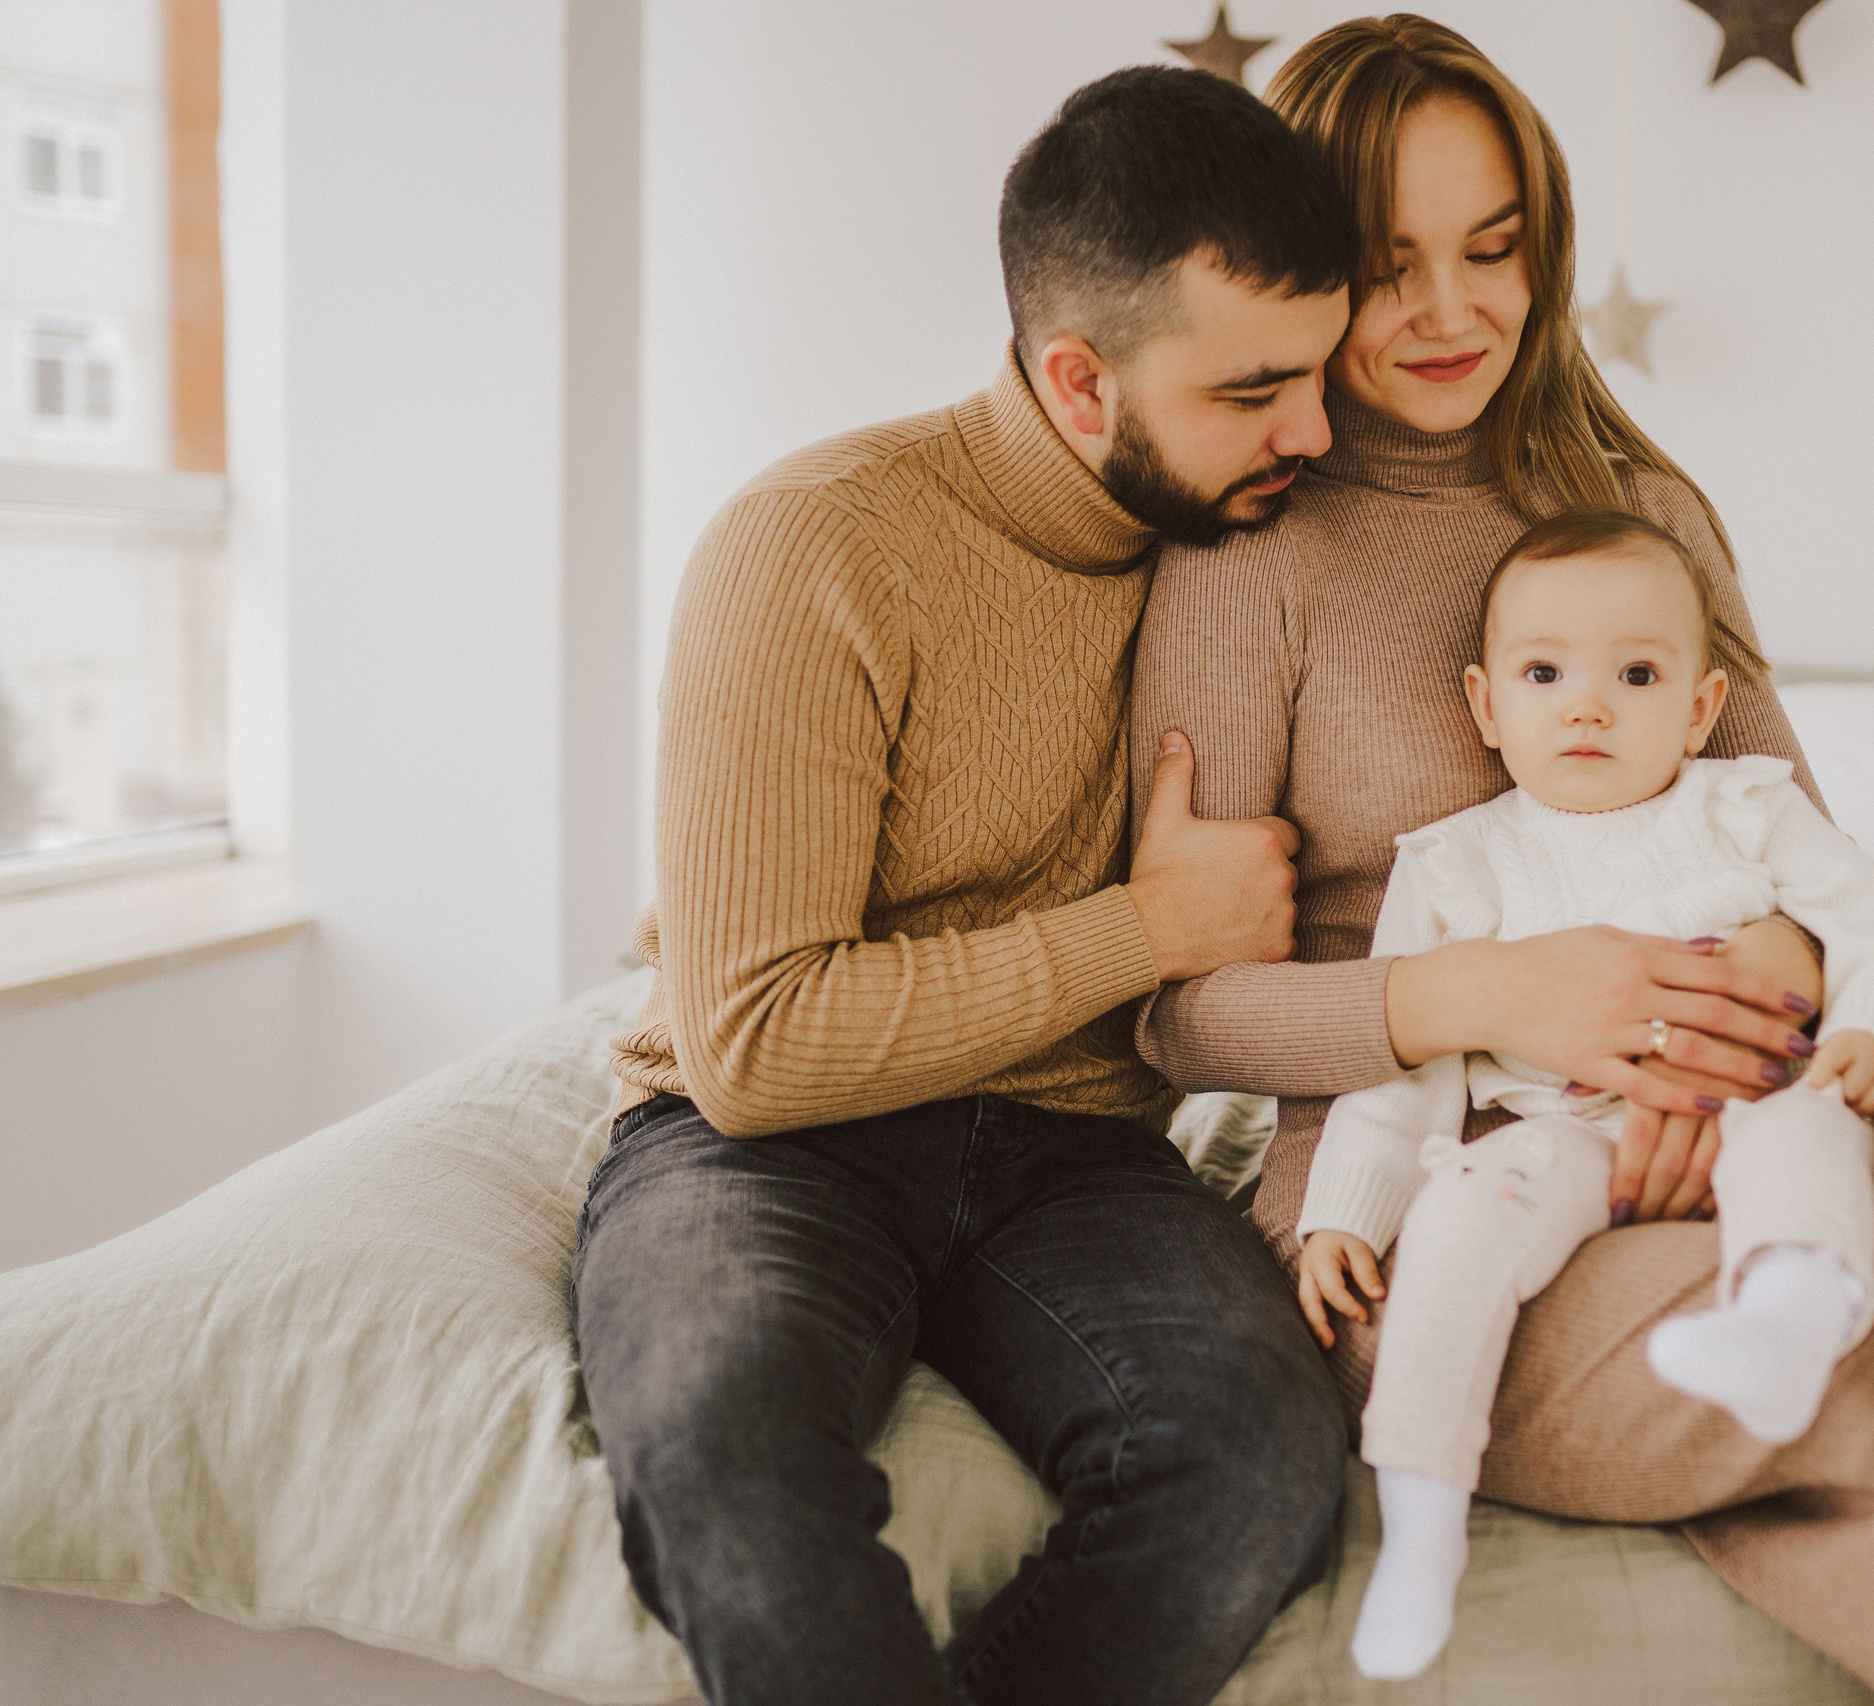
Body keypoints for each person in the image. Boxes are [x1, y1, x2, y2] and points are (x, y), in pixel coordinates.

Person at [1130, 17, 1874, 1706]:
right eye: (1393, 267)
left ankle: (1824, 1362)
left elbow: (1804, 874)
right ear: (1305, 264)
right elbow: (1179, 1013)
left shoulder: (1640, 513)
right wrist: (1489, 994)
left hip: (1749, 1135)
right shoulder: (1249, 565)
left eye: (1495, 250)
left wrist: (1710, 1040)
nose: (1454, 309)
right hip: (1446, 1201)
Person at [573, 67, 1365, 1706]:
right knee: (726, 1445)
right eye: (1258, 389)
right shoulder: (812, 547)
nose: (1318, 432)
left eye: (1324, 372)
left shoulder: (1266, 546)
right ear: (1080, 380)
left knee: (1262, 1456)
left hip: (1071, 1153)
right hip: (763, 1150)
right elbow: (753, 1046)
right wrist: (1148, 928)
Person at [1293, 509, 1874, 1679]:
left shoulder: (1743, 805)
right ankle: (1422, 1520)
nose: (1587, 705)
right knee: (1459, 1215)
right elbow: (1408, 1065)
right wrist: (1349, 1204)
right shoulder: (1453, 862)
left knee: (1809, 1124)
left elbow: (1870, 917)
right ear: (1488, 706)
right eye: (1546, 674)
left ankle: (1785, 1323)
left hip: (1747, 1094)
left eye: (1635, 674)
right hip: (1557, 1126)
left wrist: (1869, 1028)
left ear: (1698, 706)